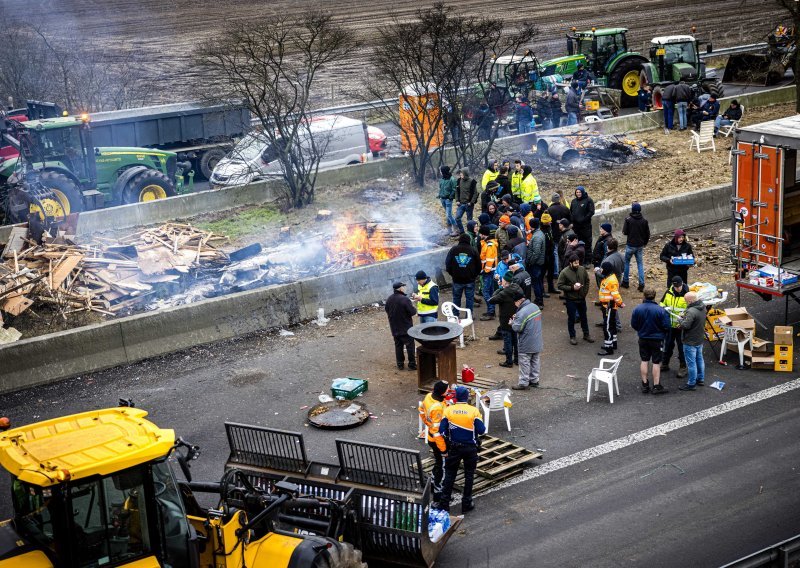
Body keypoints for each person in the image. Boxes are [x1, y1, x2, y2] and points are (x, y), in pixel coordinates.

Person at [436, 385, 485, 513]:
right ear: (467, 397)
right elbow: (482, 430)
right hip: (470, 448)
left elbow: (441, 430)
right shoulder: (473, 411)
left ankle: (444, 503)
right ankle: (466, 503)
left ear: (456, 397)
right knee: (469, 475)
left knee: (450, 474)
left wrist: (450, 436)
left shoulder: (449, 410)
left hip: (454, 448)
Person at [631, 288, 671, 394]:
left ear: (644, 296)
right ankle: (656, 386)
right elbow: (667, 326)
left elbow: (634, 325)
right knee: (656, 362)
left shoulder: (637, 309)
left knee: (644, 360)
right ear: (654, 296)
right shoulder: (661, 310)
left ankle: (645, 385)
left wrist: (641, 330)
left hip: (643, 338)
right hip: (657, 340)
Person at [418, 381, 448, 497]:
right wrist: (444, 450)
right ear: (442, 392)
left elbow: (421, 410)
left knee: (438, 462)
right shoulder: (437, 409)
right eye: (447, 389)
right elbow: (437, 433)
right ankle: (438, 489)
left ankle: (433, 482)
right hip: (438, 441)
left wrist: (427, 422)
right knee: (442, 465)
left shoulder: (429, 396)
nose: (448, 390)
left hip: (431, 438)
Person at [557, 253, 594, 345]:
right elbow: (560, 285)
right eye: (575, 263)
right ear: (570, 263)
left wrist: (584, 292)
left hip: (581, 298)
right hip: (571, 300)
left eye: (578, 263)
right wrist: (572, 288)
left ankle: (586, 334)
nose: (577, 265)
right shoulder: (564, 272)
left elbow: (587, 281)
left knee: (584, 317)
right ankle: (572, 336)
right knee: (571, 318)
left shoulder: (582, 270)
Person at [511, 289, 543, 390]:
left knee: (524, 362)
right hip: (537, 340)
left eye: (515, 302)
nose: (515, 304)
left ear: (519, 301)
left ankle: (523, 382)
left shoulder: (522, 312)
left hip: (526, 342)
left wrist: (512, 322)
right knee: (535, 361)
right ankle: (534, 380)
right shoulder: (535, 306)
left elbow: (517, 328)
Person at [489, 273, 524, 368]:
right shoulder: (517, 288)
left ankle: (509, 362)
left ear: (505, 282)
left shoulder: (504, 293)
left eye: (503, 280)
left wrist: (500, 288)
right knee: (516, 341)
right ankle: (517, 360)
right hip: (516, 318)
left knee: (508, 342)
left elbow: (491, 300)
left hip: (505, 320)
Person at [660, 275, 689, 378]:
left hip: (681, 327)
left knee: (682, 348)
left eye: (679, 286)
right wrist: (665, 308)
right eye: (675, 287)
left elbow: (690, 311)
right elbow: (661, 303)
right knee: (667, 345)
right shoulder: (669, 292)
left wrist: (683, 318)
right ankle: (665, 363)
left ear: (682, 284)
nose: (677, 288)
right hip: (670, 325)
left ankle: (683, 367)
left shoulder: (687, 294)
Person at [385, 282, 417, 370]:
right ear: (400, 288)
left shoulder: (389, 299)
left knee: (398, 346)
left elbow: (387, 310)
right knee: (410, 346)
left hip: (394, 328)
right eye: (403, 286)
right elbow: (413, 312)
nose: (405, 288)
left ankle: (400, 365)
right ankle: (412, 364)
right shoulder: (405, 299)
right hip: (406, 328)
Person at [678, 292, 706, 391]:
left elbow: (686, 325)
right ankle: (700, 379)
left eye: (686, 301)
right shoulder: (703, 307)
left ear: (690, 301)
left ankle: (691, 383)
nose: (686, 303)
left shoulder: (691, 311)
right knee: (700, 359)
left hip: (690, 341)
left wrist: (680, 320)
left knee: (691, 363)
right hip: (699, 338)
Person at [446, 233, 481, 313]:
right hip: (470, 280)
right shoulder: (473, 250)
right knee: (469, 299)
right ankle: (469, 316)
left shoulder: (453, 250)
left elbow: (447, 264)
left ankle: (455, 315)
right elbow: (479, 265)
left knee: (456, 298)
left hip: (457, 280)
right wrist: (474, 275)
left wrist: (453, 274)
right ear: (469, 240)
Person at [598, 261, 624, 356]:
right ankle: (613, 344)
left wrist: (620, 303)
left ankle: (608, 348)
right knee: (612, 325)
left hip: (609, 306)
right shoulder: (609, 278)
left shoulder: (611, 280)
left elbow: (615, 295)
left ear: (606, 269)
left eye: (602, 268)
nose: (601, 270)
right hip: (608, 306)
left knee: (607, 327)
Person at [621, 202, 650, 291]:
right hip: (640, 246)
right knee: (640, 264)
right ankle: (641, 284)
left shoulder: (628, 219)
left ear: (632, 210)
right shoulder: (644, 221)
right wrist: (644, 243)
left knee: (626, 263)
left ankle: (625, 282)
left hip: (630, 245)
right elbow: (647, 234)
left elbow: (624, 232)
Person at [570, 186, 595, 263]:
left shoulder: (588, 200)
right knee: (577, 243)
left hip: (585, 227)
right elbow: (571, 212)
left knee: (587, 244)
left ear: (583, 192)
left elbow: (591, 212)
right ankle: (579, 260)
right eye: (577, 192)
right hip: (576, 227)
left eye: (580, 192)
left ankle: (588, 261)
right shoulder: (573, 201)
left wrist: (583, 219)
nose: (578, 194)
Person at [479, 226, 499, 320]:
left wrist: (484, 271)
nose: (479, 235)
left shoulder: (489, 245)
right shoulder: (488, 244)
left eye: (480, 234)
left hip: (488, 272)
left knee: (485, 291)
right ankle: (491, 311)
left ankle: (491, 312)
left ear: (484, 234)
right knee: (490, 291)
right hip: (490, 271)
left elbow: (489, 260)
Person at [525, 217, 546, 308]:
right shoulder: (539, 233)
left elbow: (536, 253)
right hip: (539, 263)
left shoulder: (537, 236)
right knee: (538, 281)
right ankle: (539, 298)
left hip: (535, 264)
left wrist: (530, 262)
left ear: (532, 226)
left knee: (536, 282)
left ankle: (539, 301)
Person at [454, 168, 478, 234]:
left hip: (469, 204)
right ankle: (462, 232)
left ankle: (470, 234)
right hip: (461, 204)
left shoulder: (472, 181)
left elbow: (475, 193)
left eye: (462, 174)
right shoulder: (459, 180)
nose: (460, 175)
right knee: (457, 218)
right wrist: (457, 200)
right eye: (460, 174)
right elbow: (456, 191)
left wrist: (471, 202)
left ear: (465, 174)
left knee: (469, 221)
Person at [438, 166, 458, 236]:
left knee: (449, 214)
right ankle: (449, 230)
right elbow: (441, 188)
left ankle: (456, 230)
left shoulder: (452, 179)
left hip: (448, 199)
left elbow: (454, 189)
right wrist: (440, 195)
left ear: (443, 171)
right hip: (442, 199)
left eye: (441, 171)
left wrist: (450, 197)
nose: (440, 172)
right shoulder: (442, 179)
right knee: (448, 215)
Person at [541, 213, 557, 294]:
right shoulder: (541, 230)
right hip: (544, 254)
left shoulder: (549, 227)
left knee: (551, 271)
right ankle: (542, 291)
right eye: (549, 221)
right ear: (545, 221)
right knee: (543, 273)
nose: (551, 222)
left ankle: (551, 288)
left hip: (551, 253)